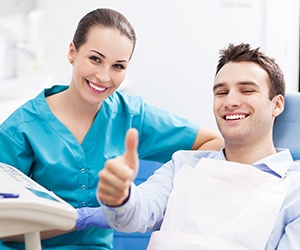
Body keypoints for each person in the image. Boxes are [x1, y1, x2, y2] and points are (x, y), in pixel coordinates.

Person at [0, 8, 223, 250]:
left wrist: (154, 194)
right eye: (95, 59)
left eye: (118, 66)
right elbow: (5, 226)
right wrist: (80, 220)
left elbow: (212, 143)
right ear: (72, 52)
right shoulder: (21, 129)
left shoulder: (131, 116)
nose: (104, 76)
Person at [98, 43, 300, 249]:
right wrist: (121, 197)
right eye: (221, 92)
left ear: (277, 105)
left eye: (246, 90)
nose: (230, 101)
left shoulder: (295, 189)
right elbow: (138, 214)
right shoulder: (183, 165)